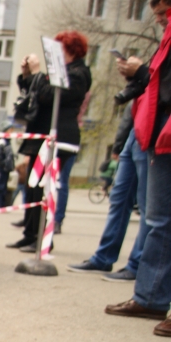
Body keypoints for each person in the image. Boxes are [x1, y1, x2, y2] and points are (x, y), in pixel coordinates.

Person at [105, 0, 171, 337]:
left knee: (161, 220)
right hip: (157, 133)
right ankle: (151, 295)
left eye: (161, 12)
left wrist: (141, 72)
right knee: (157, 219)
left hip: (166, 133)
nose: (158, 19)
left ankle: (152, 295)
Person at [8, 33, 92, 251]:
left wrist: (37, 75)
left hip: (59, 138)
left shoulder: (79, 74)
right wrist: (28, 76)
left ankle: (42, 238)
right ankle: (30, 233)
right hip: (43, 137)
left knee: (44, 189)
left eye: (60, 48)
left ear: (71, 49)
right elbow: (35, 93)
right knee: (32, 186)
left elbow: (49, 96)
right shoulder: (62, 73)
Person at [68, 107, 150, 278]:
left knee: (147, 205)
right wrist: (119, 142)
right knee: (118, 199)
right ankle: (103, 258)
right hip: (134, 130)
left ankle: (136, 265)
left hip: (152, 126)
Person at [0, 126, 16, 208]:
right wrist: (4, 164)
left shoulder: (8, 142)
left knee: (3, 187)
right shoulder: (2, 142)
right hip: (1, 169)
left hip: (6, 169)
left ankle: (2, 204)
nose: (12, 132)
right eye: (10, 130)